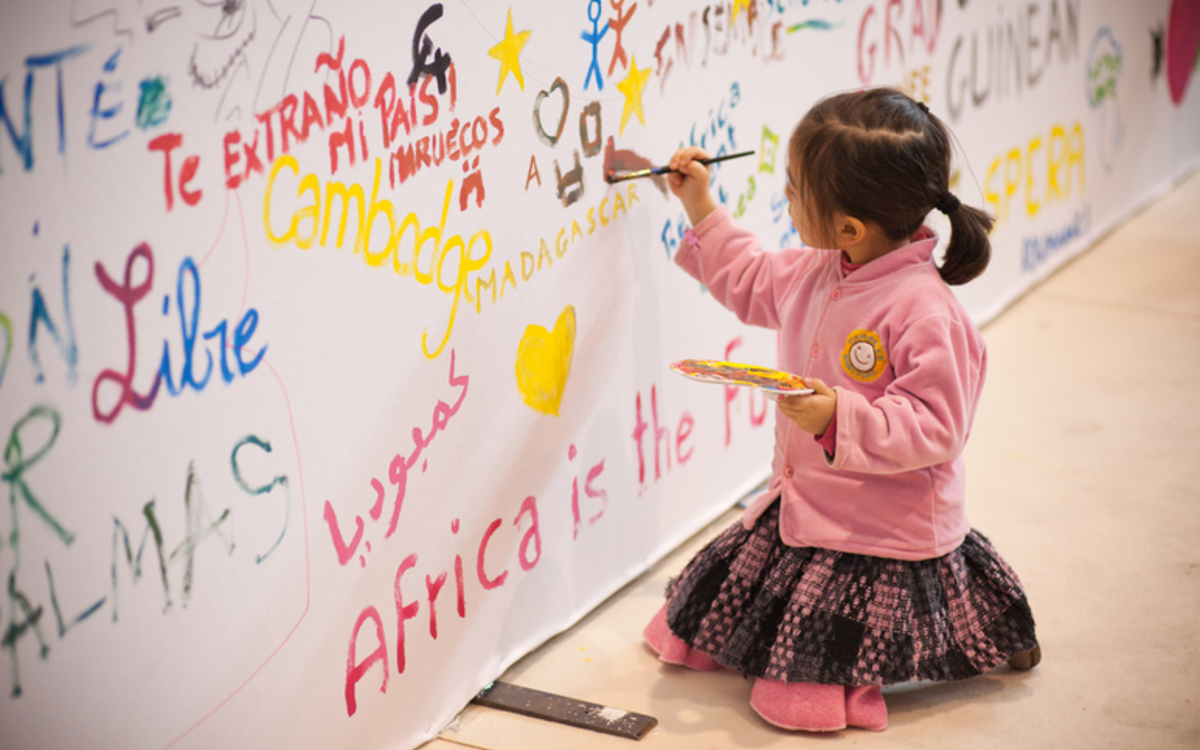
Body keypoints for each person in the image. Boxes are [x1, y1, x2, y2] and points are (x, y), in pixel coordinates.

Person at [643, 88, 1040, 733]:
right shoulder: (819, 268)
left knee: (802, 679)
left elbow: (938, 428)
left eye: (794, 190)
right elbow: (748, 275)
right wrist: (700, 205)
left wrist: (839, 416)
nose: (787, 199)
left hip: (882, 527)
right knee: (707, 611)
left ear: (850, 227)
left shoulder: (926, 310)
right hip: (808, 505)